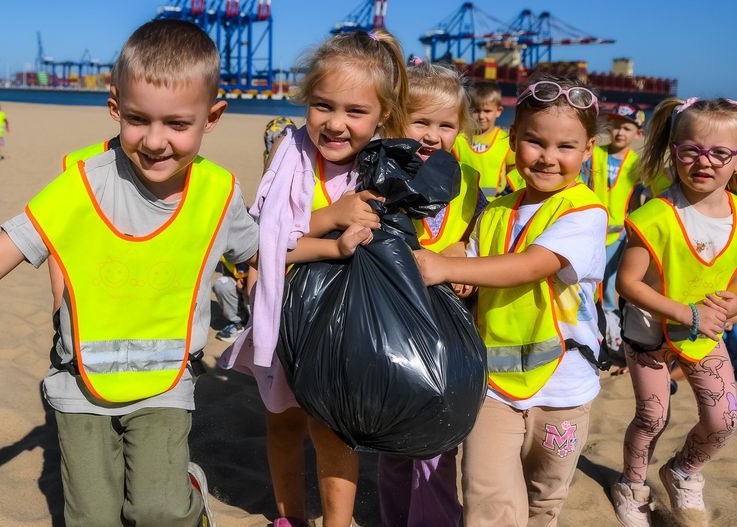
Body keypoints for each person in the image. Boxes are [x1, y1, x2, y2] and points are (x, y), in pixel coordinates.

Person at [0, 19, 257, 527]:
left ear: (213, 117)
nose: (156, 141)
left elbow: (263, 251)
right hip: (79, 384)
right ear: (115, 107)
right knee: (94, 518)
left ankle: (189, 490)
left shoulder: (219, 193)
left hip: (166, 381)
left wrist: (326, 237)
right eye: (138, 119)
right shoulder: (80, 186)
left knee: (157, 509)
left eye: (177, 124)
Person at [219, 28, 408, 527]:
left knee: (331, 435)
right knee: (281, 425)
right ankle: (289, 517)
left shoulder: (384, 169)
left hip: (345, 331)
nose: (335, 124)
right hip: (286, 320)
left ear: (383, 115)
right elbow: (263, 241)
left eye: (355, 111)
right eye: (323, 106)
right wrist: (330, 221)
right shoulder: (290, 156)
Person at [414, 74, 608, 527]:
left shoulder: (585, 213)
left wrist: (447, 268)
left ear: (588, 149)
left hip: (563, 388)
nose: (548, 157)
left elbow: (531, 264)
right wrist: (454, 259)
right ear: (513, 140)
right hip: (493, 386)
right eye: (535, 142)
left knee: (544, 497)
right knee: (487, 498)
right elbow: (476, 254)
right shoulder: (497, 206)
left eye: (565, 147)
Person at [610, 97, 737, 526]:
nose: (704, 162)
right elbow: (626, 284)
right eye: (690, 150)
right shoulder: (655, 215)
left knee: (724, 418)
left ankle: (682, 471)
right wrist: (684, 312)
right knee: (652, 416)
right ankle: (632, 485)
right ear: (674, 152)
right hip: (648, 332)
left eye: (719, 153)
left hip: (704, 333)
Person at [376, 59, 480, 527]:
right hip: (395, 321)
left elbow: (475, 232)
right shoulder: (382, 171)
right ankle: (397, 515)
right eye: (420, 121)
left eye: (446, 125)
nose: (432, 135)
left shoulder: (470, 181)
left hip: (447, 324)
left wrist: (463, 250)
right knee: (396, 433)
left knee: (440, 435)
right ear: (395, 118)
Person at [587, 103, 646, 353]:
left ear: (638, 133)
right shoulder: (594, 154)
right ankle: (589, 330)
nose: (620, 133)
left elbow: (639, 199)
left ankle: (612, 337)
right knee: (589, 283)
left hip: (619, 235)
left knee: (611, 286)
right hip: (591, 230)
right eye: (615, 126)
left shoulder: (637, 164)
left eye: (627, 128)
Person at [463, 81, 518, 200]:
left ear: (498, 111)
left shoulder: (505, 140)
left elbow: (514, 172)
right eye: (476, 111)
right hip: (462, 202)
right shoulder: (458, 140)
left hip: (493, 203)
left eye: (487, 111)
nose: (481, 116)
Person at [213, 258, 249, 342]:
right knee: (223, 284)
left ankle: (256, 327)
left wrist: (247, 281)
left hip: (257, 288)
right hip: (240, 289)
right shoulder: (227, 254)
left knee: (253, 290)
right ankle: (238, 324)